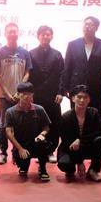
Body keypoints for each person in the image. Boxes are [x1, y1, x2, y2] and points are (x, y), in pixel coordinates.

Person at [61, 16, 101, 117]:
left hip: (96, 86)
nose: (87, 27)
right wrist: (64, 87)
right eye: (85, 24)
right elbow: (67, 67)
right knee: (76, 116)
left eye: (91, 25)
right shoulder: (73, 44)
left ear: (96, 28)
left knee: (95, 114)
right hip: (76, 86)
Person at [0, 23, 32, 165]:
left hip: (20, 96)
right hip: (4, 95)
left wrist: (19, 91)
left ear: (18, 33)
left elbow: (27, 72)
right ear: (5, 34)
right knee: (4, 124)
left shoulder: (25, 52)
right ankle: (3, 152)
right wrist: (6, 91)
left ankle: (16, 152)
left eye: (14, 32)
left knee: (20, 125)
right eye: (9, 32)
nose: (12, 34)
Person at [28, 25, 65, 163]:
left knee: (54, 123)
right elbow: (28, 75)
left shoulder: (57, 54)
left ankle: (50, 151)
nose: (45, 37)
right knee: (37, 123)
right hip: (36, 95)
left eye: (48, 34)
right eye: (43, 34)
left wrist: (61, 92)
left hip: (53, 95)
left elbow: (62, 75)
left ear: (52, 37)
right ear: (38, 36)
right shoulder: (30, 54)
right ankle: (39, 151)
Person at [57, 85, 101, 183]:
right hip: (70, 148)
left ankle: (93, 170)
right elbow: (66, 140)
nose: (82, 100)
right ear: (73, 98)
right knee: (64, 164)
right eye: (79, 97)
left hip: (87, 145)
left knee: (100, 141)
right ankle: (71, 169)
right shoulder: (66, 117)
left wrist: (80, 140)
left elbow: (97, 132)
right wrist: (80, 162)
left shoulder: (94, 113)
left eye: (85, 97)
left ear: (89, 99)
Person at [5, 82, 52, 181]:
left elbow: (46, 127)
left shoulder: (39, 109)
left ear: (32, 95)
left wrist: (42, 134)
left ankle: (42, 168)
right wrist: (19, 148)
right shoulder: (10, 112)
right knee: (23, 164)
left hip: (36, 142)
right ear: (18, 95)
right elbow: (9, 133)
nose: (26, 96)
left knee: (43, 143)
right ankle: (23, 166)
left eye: (29, 94)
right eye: (23, 94)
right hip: (21, 144)